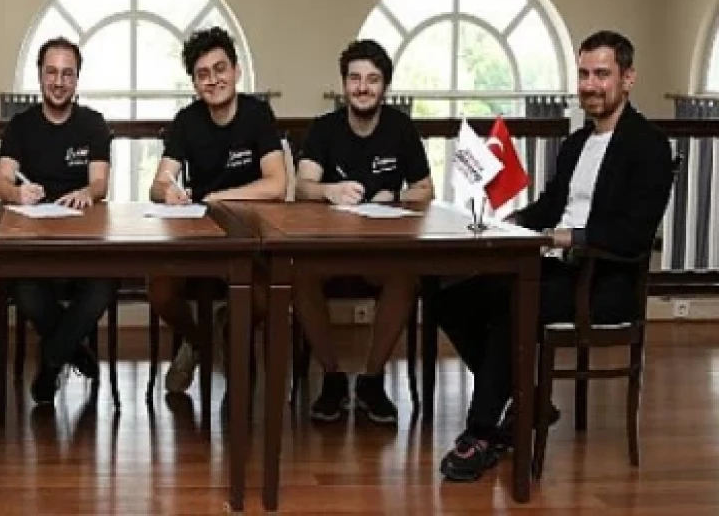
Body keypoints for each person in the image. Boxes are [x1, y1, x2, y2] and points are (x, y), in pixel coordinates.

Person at [436, 30, 674, 482]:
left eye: (601, 74)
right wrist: (505, 223)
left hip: (605, 283)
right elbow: (547, 209)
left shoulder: (649, 146)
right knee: (450, 294)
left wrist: (570, 238)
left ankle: (481, 433)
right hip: (555, 271)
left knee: (514, 302)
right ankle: (527, 399)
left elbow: (634, 234)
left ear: (628, 79)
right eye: (583, 74)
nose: (590, 85)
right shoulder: (577, 143)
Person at [293, 39, 433, 424]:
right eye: (355, 78)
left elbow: (425, 189)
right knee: (299, 277)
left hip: (381, 250)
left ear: (384, 86)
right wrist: (329, 191)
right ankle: (333, 378)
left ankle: (371, 381)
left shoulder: (401, 128)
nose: (363, 87)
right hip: (327, 248)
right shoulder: (324, 128)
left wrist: (398, 199)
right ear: (344, 84)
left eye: (372, 79)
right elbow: (302, 187)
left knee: (405, 278)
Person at [148, 26, 288, 394]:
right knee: (160, 291)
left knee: (262, 299)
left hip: (251, 235)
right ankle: (201, 341)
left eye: (220, 69)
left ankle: (227, 333)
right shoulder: (187, 121)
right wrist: (167, 192)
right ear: (195, 84)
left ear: (236, 71)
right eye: (203, 74)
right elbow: (157, 185)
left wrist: (220, 197)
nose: (213, 80)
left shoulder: (257, 115)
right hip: (198, 235)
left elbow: (277, 184)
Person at [0, 37, 115, 405]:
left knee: (104, 286)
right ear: (40, 75)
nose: (59, 82)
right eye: (52, 72)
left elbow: (100, 183)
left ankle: (50, 362)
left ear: (77, 78)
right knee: (25, 288)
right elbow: (2, 181)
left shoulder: (93, 123)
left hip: (83, 241)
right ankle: (74, 351)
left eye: (67, 74)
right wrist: (18, 193)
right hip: (34, 242)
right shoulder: (20, 126)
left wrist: (88, 192)